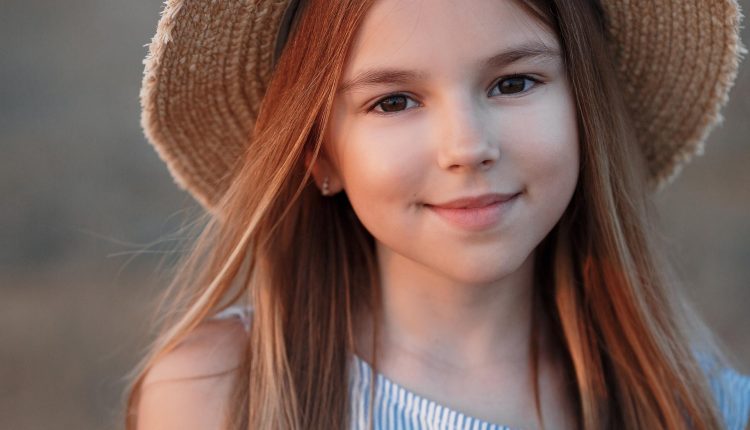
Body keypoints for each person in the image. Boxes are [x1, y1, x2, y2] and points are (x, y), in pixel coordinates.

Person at [126, 0, 749, 428]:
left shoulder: (695, 406)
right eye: (394, 101)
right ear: (319, 155)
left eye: (513, 83)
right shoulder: (224, 393)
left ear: (586, 110)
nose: (468, 147)